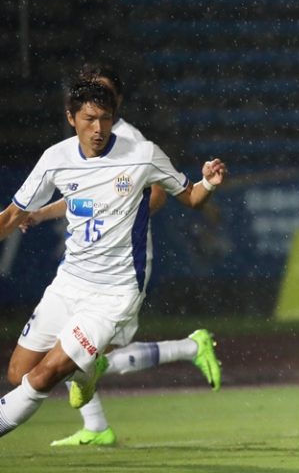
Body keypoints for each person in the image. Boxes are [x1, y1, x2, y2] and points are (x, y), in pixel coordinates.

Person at [0, 80, 227, 440]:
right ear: (71, 118)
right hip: (68, 283)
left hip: (114, 293)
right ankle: (86, 373)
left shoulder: (142, 153)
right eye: (89, 119)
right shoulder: (56, 159)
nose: (98, 128)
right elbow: (12, 216)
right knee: (19, 373)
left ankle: (88, 400)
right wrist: (39, 213)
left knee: (44, 376)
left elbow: (191, 197)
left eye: (105, 118)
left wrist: (209, 183)